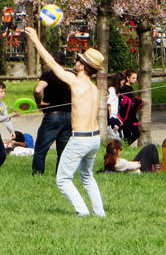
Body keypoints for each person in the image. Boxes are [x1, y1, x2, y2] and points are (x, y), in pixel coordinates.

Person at [25, 26, 106, 218]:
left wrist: (36, 40)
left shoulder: (77, 81)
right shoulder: (94, 88)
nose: (76, 61)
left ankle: (83, 212)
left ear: (83, 66)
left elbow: (51, 64)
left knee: (62, 179)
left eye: (79, 60)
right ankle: (99, 214)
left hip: (80, 139)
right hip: (95, 139)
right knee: (87, 177)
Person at [32, 50, 73, 175]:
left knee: (40, 148)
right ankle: (60, 175)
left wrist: (39, 103)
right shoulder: (71, 74)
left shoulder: (49, 75)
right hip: (70, 116)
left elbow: (38, 90)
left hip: (53, 116)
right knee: (63, 150)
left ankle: (38, 174)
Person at [119, 70, 143, 145]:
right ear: (128, 78)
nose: (135, 80)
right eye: (133, 78)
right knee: (127, 135)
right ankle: (124, 147)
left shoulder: (130, 88)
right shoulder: (124, 89)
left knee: (137, 133)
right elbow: (124, 103)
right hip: (126, 115)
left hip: (132, 114)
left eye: (136, 78)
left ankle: (125, 146)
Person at [106, 73, 125, 140]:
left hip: (114, 116)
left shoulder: (115, 92)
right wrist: (111, 120)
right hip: (111, 117)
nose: (122, 85)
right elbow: (109, 105)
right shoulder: (111, 90)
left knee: (119, 135)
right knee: (115, 137)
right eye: (122, 83)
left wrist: (118, 118)